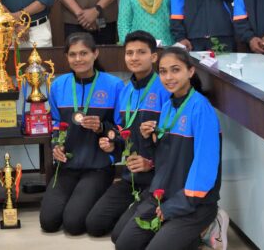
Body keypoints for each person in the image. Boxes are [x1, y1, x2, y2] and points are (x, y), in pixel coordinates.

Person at [113, 47, 224, 250]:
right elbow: (166, 158)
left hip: (193, 202)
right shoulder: (167, 107)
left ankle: (207, 226)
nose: (168, 77)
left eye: (175, 70)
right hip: (163, 194)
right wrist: (148, 140)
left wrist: (174, 207)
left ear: (190, 71)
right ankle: (185, 236)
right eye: (163, 71)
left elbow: (205, 168)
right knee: (123, 243)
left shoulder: (201, 109)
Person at [86, 30, 170, 238]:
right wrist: (113, 144)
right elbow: (123, 132)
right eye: (129, 53)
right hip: (131, 177)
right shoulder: (126, 91)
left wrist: (151, 163)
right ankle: (135, 211)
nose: (134, 58)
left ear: (153, 57)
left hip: (158, 178)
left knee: (119, 237)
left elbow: (173, 142)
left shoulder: (166, 89)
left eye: (141, 52)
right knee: (94, 224)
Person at [39, 32, 122, 235]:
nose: (78, 59)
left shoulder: (114, 85)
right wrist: (55, 146)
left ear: (95, 54)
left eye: (84, 53)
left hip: (98, 167)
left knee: (74, 224)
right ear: (66, 57)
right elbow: (55, 124)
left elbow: (122, 128)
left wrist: (102, 127)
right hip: (67, 166)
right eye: (73, 54)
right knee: (48, 222)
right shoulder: (59, 85)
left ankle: (101, 203)